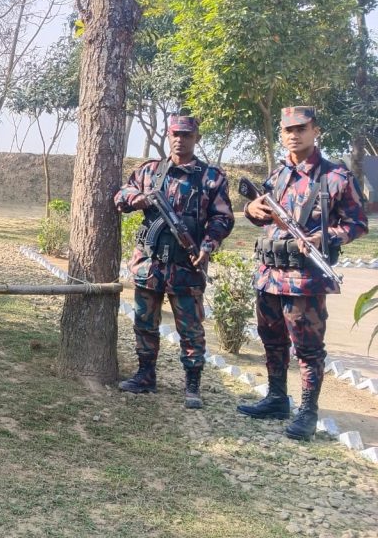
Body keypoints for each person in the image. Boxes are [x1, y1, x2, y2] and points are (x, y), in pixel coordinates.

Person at [237, 106, 369, 441]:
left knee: (308, 349)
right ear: (281, 135)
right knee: (272, 340)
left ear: (315, 130)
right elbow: (259, 212)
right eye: (287, 130)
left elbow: (358, 224)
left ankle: (308, 412)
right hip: (269, 274)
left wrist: (322, 237)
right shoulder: (279, 174)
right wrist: (250, 209)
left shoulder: (336, 178)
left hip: (305, 279)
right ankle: (277, 398)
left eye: (301, 128)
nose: (294, 135)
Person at [115, 115, 235, 408]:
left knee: (191, 329)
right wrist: (138, 199)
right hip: (150, 265)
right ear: (169, 136)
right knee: (144, 323)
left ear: (197, 138)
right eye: (175, 134)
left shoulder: (210, 178)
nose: (180, 139)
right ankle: (145, 375)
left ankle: (192, 384)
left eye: (187, 135)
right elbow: (121, 194)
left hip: (187, 265)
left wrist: (207, 245)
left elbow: (223, 217)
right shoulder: (150, 171)